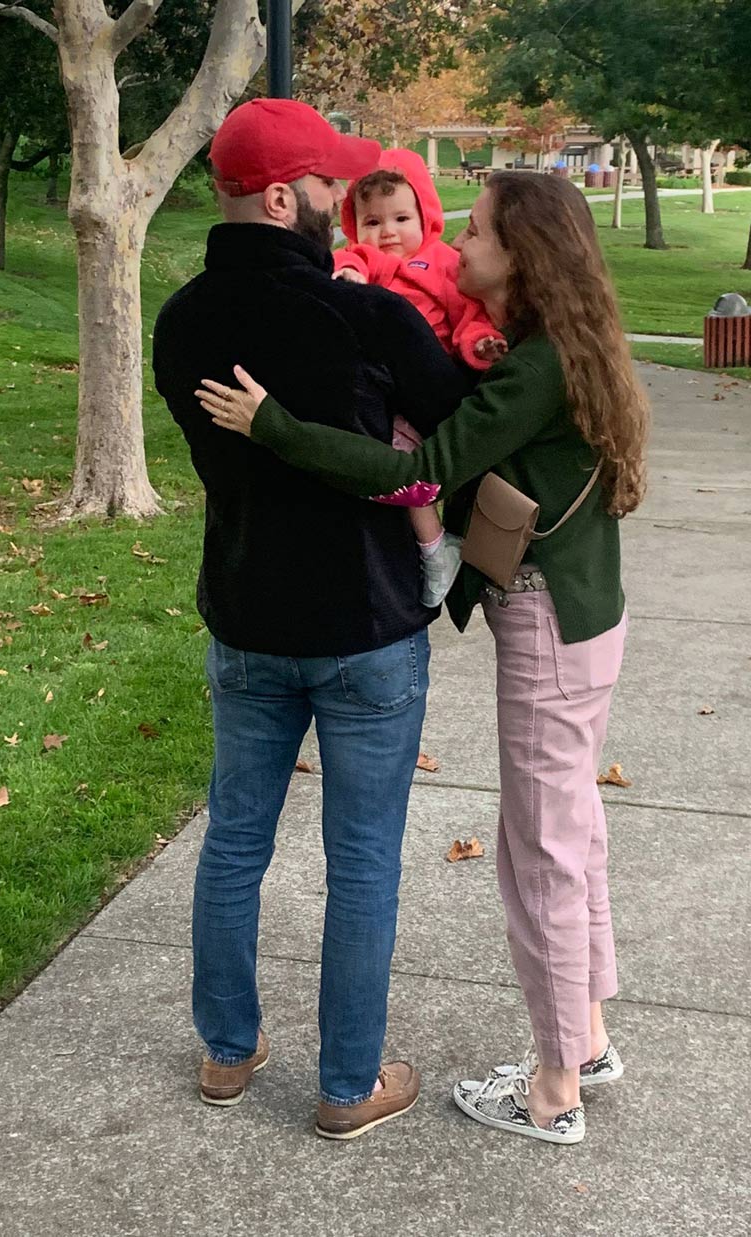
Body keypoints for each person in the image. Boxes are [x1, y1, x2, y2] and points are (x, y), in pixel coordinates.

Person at [197, 171, 650, 1145]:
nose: (455, 246)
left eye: (477, 233)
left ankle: (554, 1089)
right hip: (578, 611)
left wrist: (273, 425)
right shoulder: (541, 350)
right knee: (570, 833)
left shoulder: (533, 370)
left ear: (522, 257)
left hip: (551, 619)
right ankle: (590, 1038)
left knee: (540, 854)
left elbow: (414, 474)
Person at [152, 97, 473, 1140]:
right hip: (366, 625)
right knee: (364, 855)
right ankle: (347, 1085)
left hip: (245, 613)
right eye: (332, 187)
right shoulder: (363, 315)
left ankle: (226, 1049)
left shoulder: (182, 319)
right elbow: (455, 426)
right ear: (285, 196)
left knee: (235, 836)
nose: (345, 204)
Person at [332, 149, 506, 608]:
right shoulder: (361, 258)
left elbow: (470, 315)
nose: (387, 232)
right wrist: (348, 272)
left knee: (402, 465)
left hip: (432, 383)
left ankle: (435, 547)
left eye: (401, 218)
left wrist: (480, 343)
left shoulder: (445, 264)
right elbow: (344, 269)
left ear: (425, 216)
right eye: (372, 222)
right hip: (381, 387)